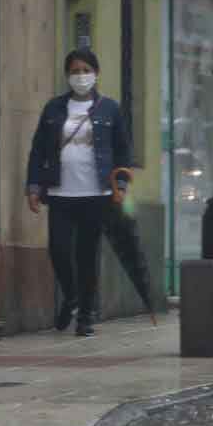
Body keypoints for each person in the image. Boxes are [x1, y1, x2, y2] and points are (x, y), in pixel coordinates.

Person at [25, 49, 133, 337]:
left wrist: (120, 187)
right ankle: (71, 297)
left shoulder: (109, 109)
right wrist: (34, 188)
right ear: (67, 76)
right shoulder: (54, 109)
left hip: (95, 193)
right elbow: (38, 150)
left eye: (86, 70)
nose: (80, 76)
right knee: (58, 249)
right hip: (60, 192)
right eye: (74, 71)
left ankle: (85, 315)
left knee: (87, 254)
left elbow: (123, 150)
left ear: (96, 73)